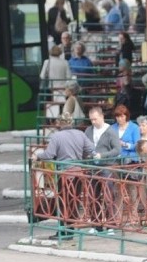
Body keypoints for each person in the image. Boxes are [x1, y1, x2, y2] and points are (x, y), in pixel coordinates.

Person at [31, 111, 96, 240]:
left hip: (64, 174)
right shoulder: (80, 134)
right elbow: (91, 149)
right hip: (78, 174)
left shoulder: (57, 136)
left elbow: (49, 155)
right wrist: (81, 157)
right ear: (71, 122)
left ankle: (62, 231)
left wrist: (37, 156)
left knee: (62, 203)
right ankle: (70, 231)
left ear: (60, 123)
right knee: (73, 202)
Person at [83, 106, 122, 234]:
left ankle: (111, 224)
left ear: (102, 117)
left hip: (107, 166)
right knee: (93, 195)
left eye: (95, 119)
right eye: (91, 120)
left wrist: (102, 155)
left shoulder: (110, 131)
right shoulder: (89, 130)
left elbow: (117, 150)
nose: (93, 122)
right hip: (92, 167)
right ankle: (96, 224)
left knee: (108, 195)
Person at [40, 45, 73, 117]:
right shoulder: (65, 62)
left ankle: (52, 121)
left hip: (51, 88)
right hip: (63, 89)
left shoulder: (47, 62)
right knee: (63, 106)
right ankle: (63, 120)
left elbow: (42, 76)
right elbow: (69, 76)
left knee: (51, 106)